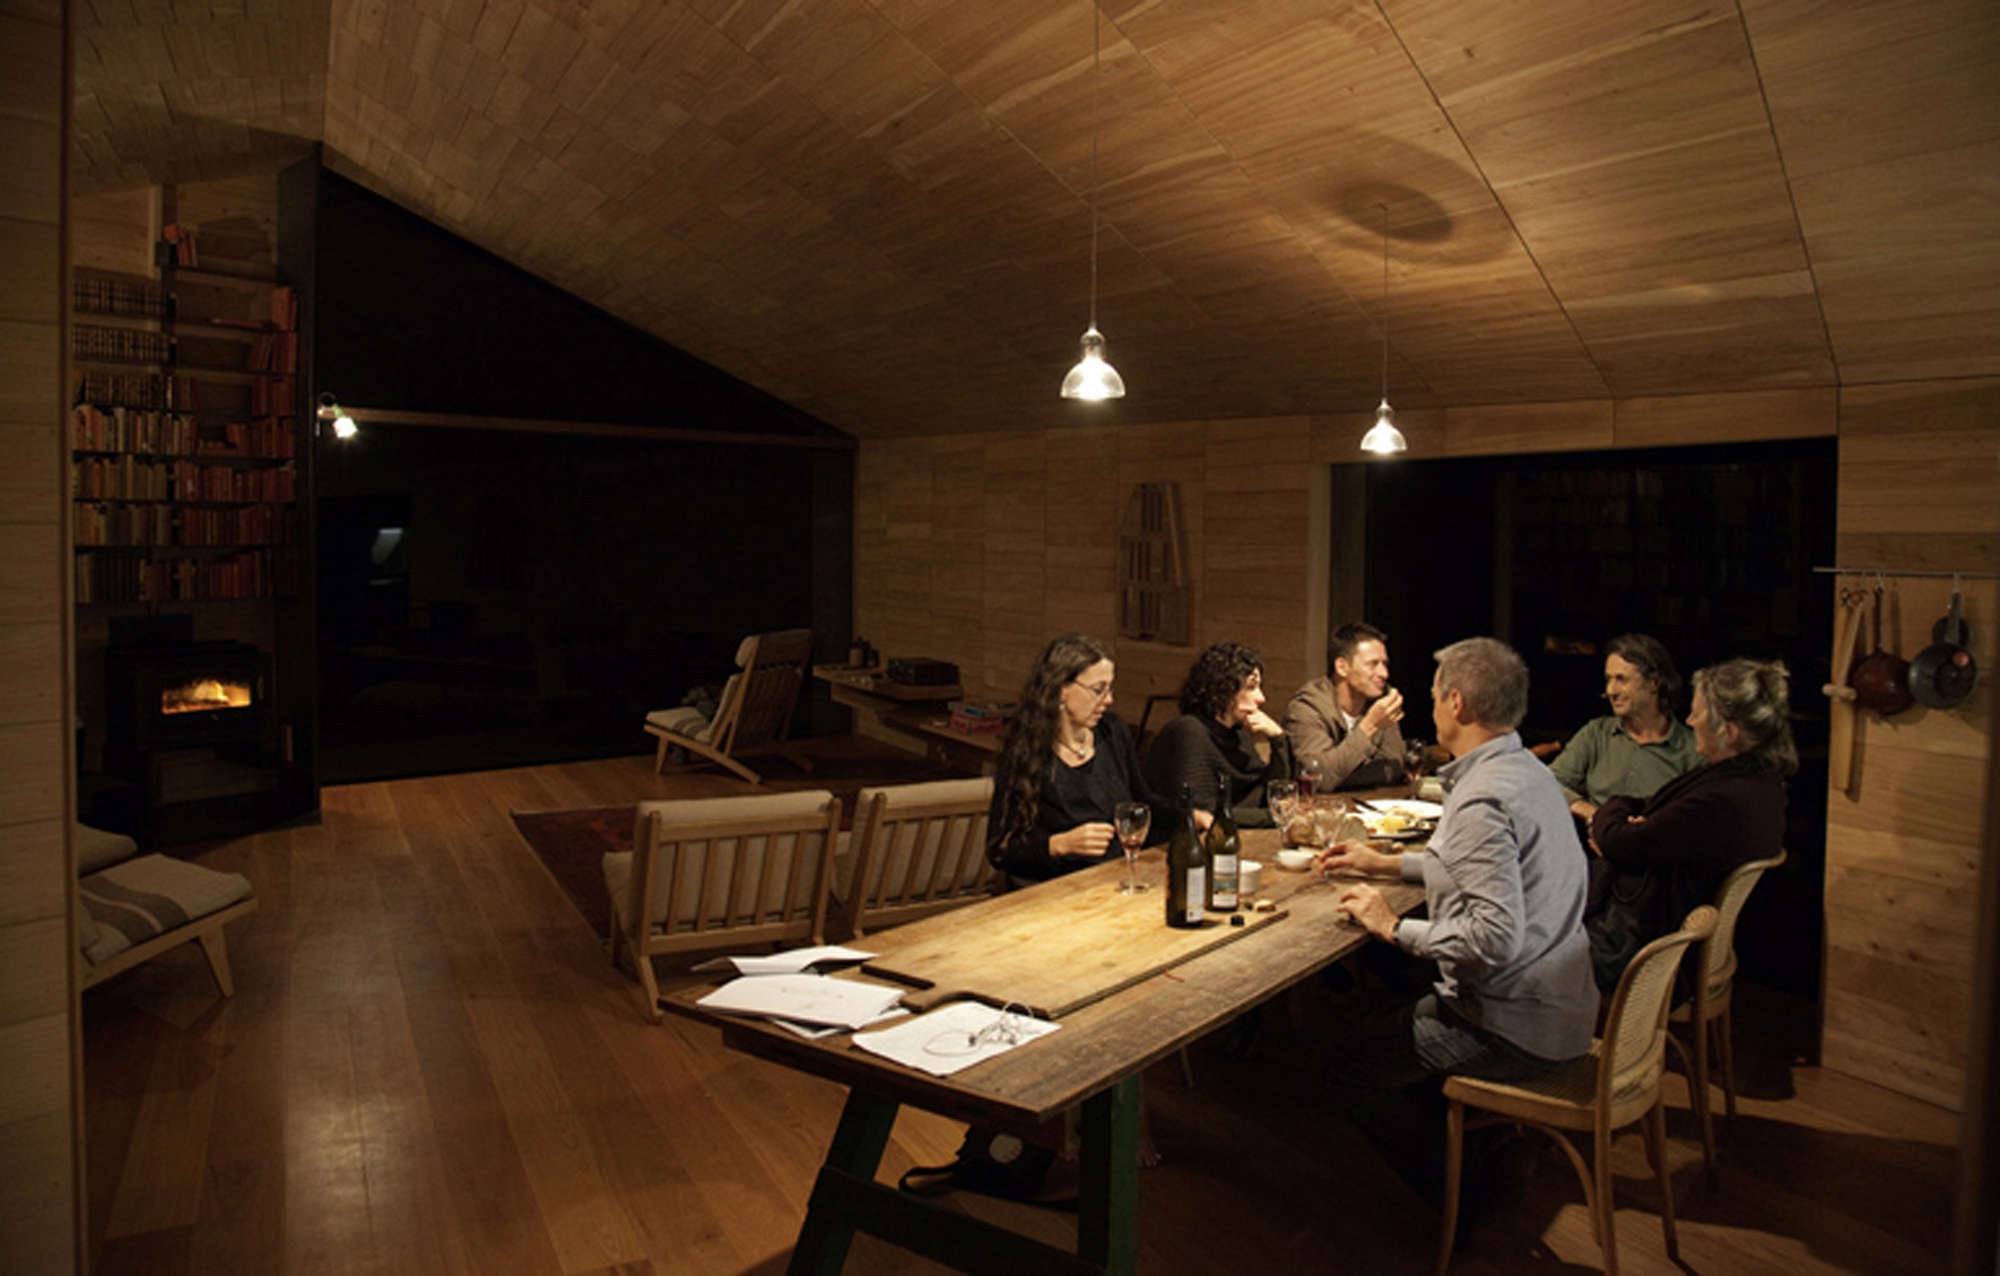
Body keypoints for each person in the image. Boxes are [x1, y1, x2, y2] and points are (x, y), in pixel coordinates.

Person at [1314, 637, 1597, 1232]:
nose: (1432, 705)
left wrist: (1393, 927)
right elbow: (1483, 867)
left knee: (1341, 1066)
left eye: (1437, 695)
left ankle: (1473, 1197)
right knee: (1393, 1022)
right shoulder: (1526, 773)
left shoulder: (1483, 800)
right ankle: (1484, 1148)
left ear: (1459, 703)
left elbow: (1492, 938)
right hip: (1562, 1004)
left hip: (1510, 1024)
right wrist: (1386, 865)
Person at [1585, 657, 1794, 991]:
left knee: (1520, 958)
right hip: (1675, 938)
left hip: (1652, 951)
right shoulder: (1762, 783)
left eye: (1698, 713)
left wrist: (1609, 819)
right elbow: (1642, 809)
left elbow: (1618, 842)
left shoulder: (1724, 802)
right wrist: (1629, 821)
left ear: (1729, 731)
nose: (1689, 720)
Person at [985, 633, 1171, 884]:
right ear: (1062, 690)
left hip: (1111, 880)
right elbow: (1000, 849)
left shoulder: (1112, 731)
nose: (1109, 700)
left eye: (1110, 688)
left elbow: (1142, 801)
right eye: (1098, 690)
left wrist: (1190, 817)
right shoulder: (1026, 751)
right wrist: (1060, 844)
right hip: (1052, 891)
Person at [1547, 632, 1703, 822]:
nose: (1610, 690)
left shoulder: (1692, 749)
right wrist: (1594, 816)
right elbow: (1548, 782)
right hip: (1594, 847)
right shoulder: (1596, 733)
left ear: (1654, 683)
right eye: (1608, 679)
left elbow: (1700, 817)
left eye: (1621, 679)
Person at [1142, 641, 1291, 828]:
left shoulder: (1238, 735)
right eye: (1251, 687)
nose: (1261, 698)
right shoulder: (1189, 732)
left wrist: (1277, 738)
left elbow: (1273, 795)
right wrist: (1271, 817)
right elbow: (1204, 815)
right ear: (1224, 689)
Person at [1283, 621, 1406, 790]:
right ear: (1342, 667)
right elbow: (1319, 777)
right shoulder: (1306, 707)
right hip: (1318, 813)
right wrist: (1370, 725)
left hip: (1371, 809)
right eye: (1373, 664)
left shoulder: (1381, 700)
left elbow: (1395, 765)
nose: (1384, 674)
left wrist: (1341, 777)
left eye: (1385, 664)